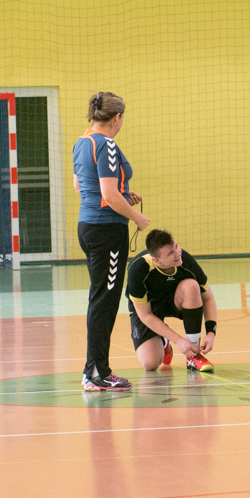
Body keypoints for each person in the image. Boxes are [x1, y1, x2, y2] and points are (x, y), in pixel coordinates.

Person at [73, 92, 150, 392]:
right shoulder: (106, 144)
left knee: (99, 297)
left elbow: (81, 186)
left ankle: (92, 370)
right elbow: (107, 195)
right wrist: (136, 217)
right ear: (117, 118)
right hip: (106, 230)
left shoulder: (82, 142)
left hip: (88, 225)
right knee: (104, 301)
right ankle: (97, 373)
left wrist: (123, 193)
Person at [126, 229, 217, 373]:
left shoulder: (185, 260)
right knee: (150, 364)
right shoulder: (138, 270)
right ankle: (164, 342)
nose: (178, 253)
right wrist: (178, 340)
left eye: (176, 246)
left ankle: (194, 357)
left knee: (191, 286)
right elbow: (145, 315)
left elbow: (208, 297)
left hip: (175, 301)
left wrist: (211, 333)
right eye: (170, 253)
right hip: (149, 309)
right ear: (156, 260)